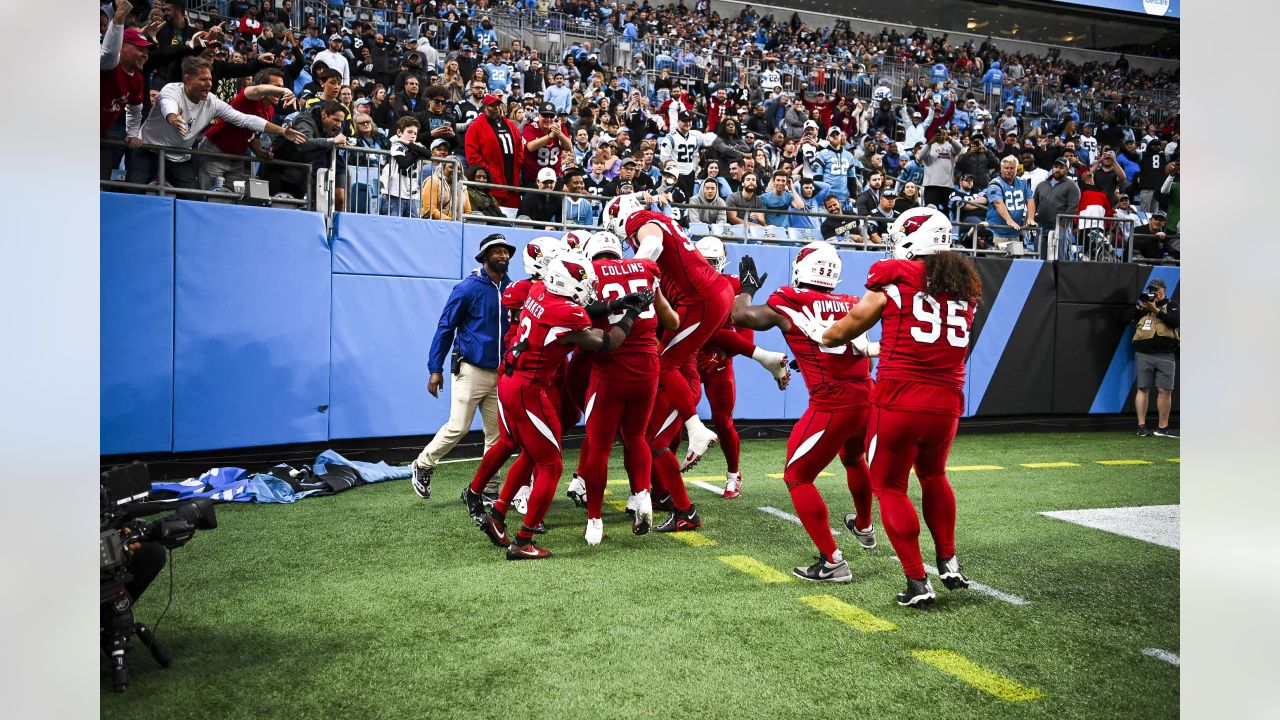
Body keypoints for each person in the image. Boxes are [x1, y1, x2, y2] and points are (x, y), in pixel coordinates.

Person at [801, 206, 978, 608]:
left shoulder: (894, 274)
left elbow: (849, 326)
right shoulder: (964, 284)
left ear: (911, 237)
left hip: (900, 397)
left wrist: (823, 334)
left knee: (890, 487)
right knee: (934, 476)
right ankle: (948, 560)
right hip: (947, 399)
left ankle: (918, 582)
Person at [600, 194, 788, 532]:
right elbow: (689, 327)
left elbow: (652, 244)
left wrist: (635, 272)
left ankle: (696, 431)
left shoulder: (641, 223)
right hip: (690, 347)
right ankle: (681, 508)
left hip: (688, 371)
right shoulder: (674, 269)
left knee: (659, 420)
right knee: (651, 439)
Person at [475, 253, 654, 559]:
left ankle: (498, 515)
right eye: (583, 282)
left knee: (531, 453)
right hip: (530, 388)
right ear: (566, 282)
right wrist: (631, 314)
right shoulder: (566, 313)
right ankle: (523, 540)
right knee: (551, 465)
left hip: (512, 380)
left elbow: (584, 307)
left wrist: (617, 303)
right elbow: (606, 341)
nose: (588, 287)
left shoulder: (538, 290)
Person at [729, 241, 878, 581]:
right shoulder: (851, 301)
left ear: (801, 267)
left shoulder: (789, 298)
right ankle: (865, 526)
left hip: (833, 403)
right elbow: (853, 350)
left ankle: (833, 561)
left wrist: (747, 289)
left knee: (797, 477)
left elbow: (741, 316)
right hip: (866, 398)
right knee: (854, 460)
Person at [571, 231, 679, 539]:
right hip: (647, 367)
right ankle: (642, 496)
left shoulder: (589, 273)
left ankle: (594, 520)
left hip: (610, 367)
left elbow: (579, 316)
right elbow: (671, 322)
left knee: (600, 445)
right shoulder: (645, 269)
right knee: (636, 437)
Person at [410, 235, 516, 499]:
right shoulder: (467, 288)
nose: (503, 255)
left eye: (506, 251)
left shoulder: (512, 289)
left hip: (500, 374)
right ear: (484, 257)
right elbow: (445, 328)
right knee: (459, 427)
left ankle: (488, 490)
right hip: (471, 370)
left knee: (497, 437)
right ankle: (423, 464)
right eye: (497, 251)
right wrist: (435, 368)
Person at [131, 57, 303, 190]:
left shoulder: (212, 102)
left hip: (180, 156)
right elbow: (167, 102)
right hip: (150, 150)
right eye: (203, 79)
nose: (208, 84)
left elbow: (245, 120)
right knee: (133, 190)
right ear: (188, 79)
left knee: (193, 199)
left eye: (210, 79)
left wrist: (283, 132)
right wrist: (172, 116)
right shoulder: (171, 89)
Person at [101, 16, 153, 179]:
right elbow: (109, 51)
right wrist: (118, 20)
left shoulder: (137, 78)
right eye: (140, 49)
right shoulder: (109, 65)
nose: (145, 54)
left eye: (146, 50)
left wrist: (131, 134)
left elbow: (136, 110)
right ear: (122, 47)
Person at [1131, 278, 1179, 438]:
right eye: (1151, 289)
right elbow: (1126, 320)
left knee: (1165, 390)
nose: (1154, 292)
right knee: (1143, 388)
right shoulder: (1144, 305)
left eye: (1157, 289)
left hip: (1166, 354)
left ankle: (1162, 427)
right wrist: (1139, 308)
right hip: (1144, 353)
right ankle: (1141, 426)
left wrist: (1157, 310)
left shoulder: (1172, 304)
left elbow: (1175, 322)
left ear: (1164, 289)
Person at [464, 94, 525, 208]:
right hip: (492, 186)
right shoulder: (476, 126)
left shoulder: (510, 125)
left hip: (512, 183)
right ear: (485, 107)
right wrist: (489, 172)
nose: (496, 108)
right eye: (492, 106)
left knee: (512, 218)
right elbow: (472, 156)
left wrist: (517, 163)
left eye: (498, 105)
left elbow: (519, 146)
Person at [1032, 158, 1081, 259]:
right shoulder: (1041, 185)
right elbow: (1033, 204)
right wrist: (1030, 219)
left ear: (1067, 170)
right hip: (1041, 226)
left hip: (1059, 227)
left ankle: (1059, 275)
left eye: (1061, 167)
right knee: (1040, 257)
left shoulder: (1072, 186)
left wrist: (1062, 224)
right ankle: (1042, 275)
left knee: (1058, 257)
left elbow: (1073, 207)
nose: (1057, 169)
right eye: (1056, 167)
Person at [984, 156, 1036, 248]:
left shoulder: (1023, 182)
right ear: (1001, 169)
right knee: (996, 260)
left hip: (1015, 233)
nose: (1009, 170)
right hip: (997, 232)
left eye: (1012, 168)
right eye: (1006, 168)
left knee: (1015, 260)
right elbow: (998, 203)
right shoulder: (995, 184)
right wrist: (1009, 220)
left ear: (1017, 169)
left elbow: (1030, 200)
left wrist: (1030, 218)